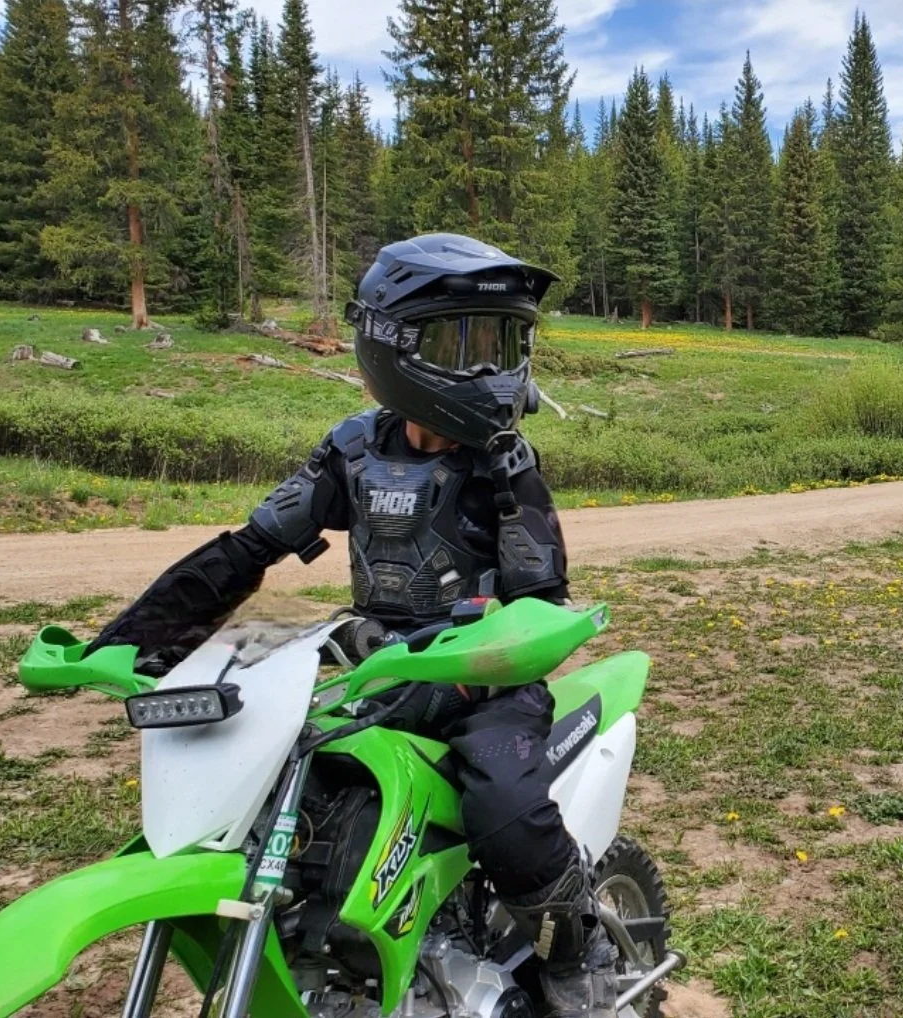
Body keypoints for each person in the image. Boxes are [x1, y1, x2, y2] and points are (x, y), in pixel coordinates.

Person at [86, 233, 618, 1017]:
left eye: (501, 343)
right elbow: (250, 547)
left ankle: (581, 948)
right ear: (392, 347)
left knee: (508, 810)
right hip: (380, 677)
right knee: (293, 804)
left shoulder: (506, 463)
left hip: (483, 683)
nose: (488, 369)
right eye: (461, 342)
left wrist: (495, 647)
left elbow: (542, 596)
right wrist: (136, 638)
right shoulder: (352, 451)